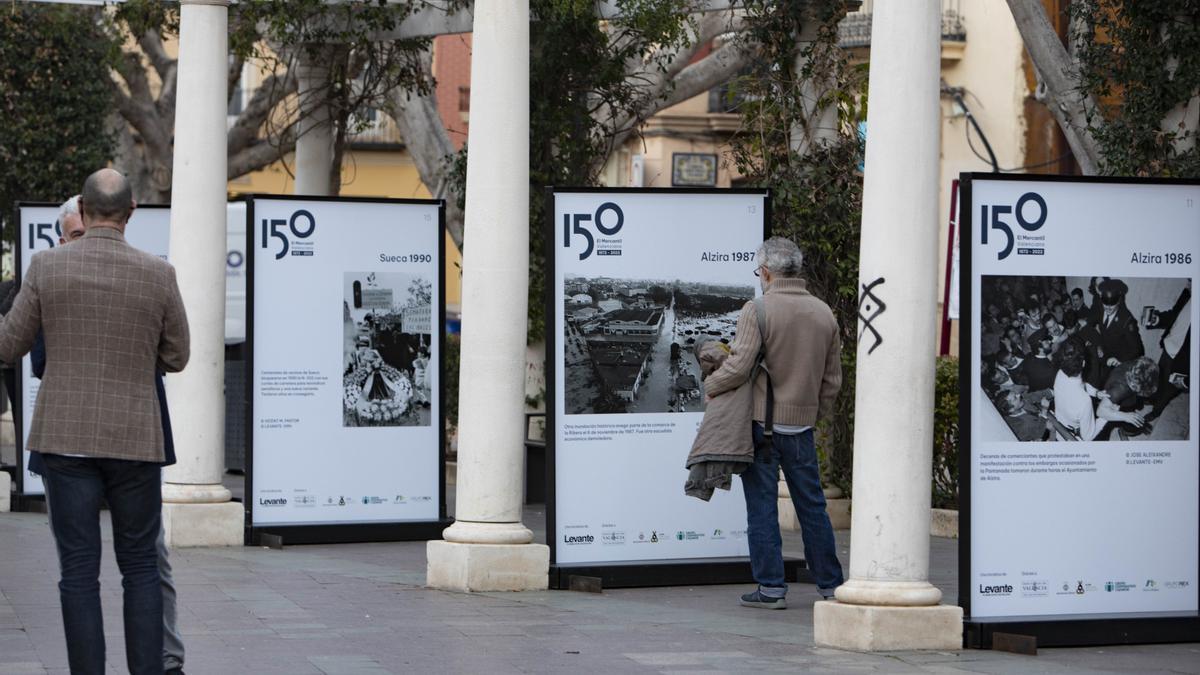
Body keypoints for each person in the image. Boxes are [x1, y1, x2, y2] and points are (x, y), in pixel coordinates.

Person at [0, 169, 189, 675]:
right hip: (135, 438)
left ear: (81, 211)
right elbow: (179, 355)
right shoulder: (158, 273)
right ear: (131, 214)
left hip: (65, 440)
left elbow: (8, 345)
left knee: (79, 572)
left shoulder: (46, 267)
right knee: (142, 567)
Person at [703, 237, 843, 608]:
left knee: (761, 508)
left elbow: (739, 365)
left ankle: (771, 589)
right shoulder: (824, 313)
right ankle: (831, 585)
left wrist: (711, 385)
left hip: (761, 427)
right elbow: (832, 382)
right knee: (812, 506)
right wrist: (812, 416)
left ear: (765, 272)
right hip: (801, 428)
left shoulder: (759, 309)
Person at [1146, 280, 1191, 420]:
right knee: (1159, 378)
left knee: (1168, 391)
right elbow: (1174, 314)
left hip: (1182, 360)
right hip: (1168, 346)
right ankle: (1153, 399)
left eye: (1191, 282)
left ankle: (1156, 411)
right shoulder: (1188, 293)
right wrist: (1157, 319)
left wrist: (1187, 380)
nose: (1187, 285)